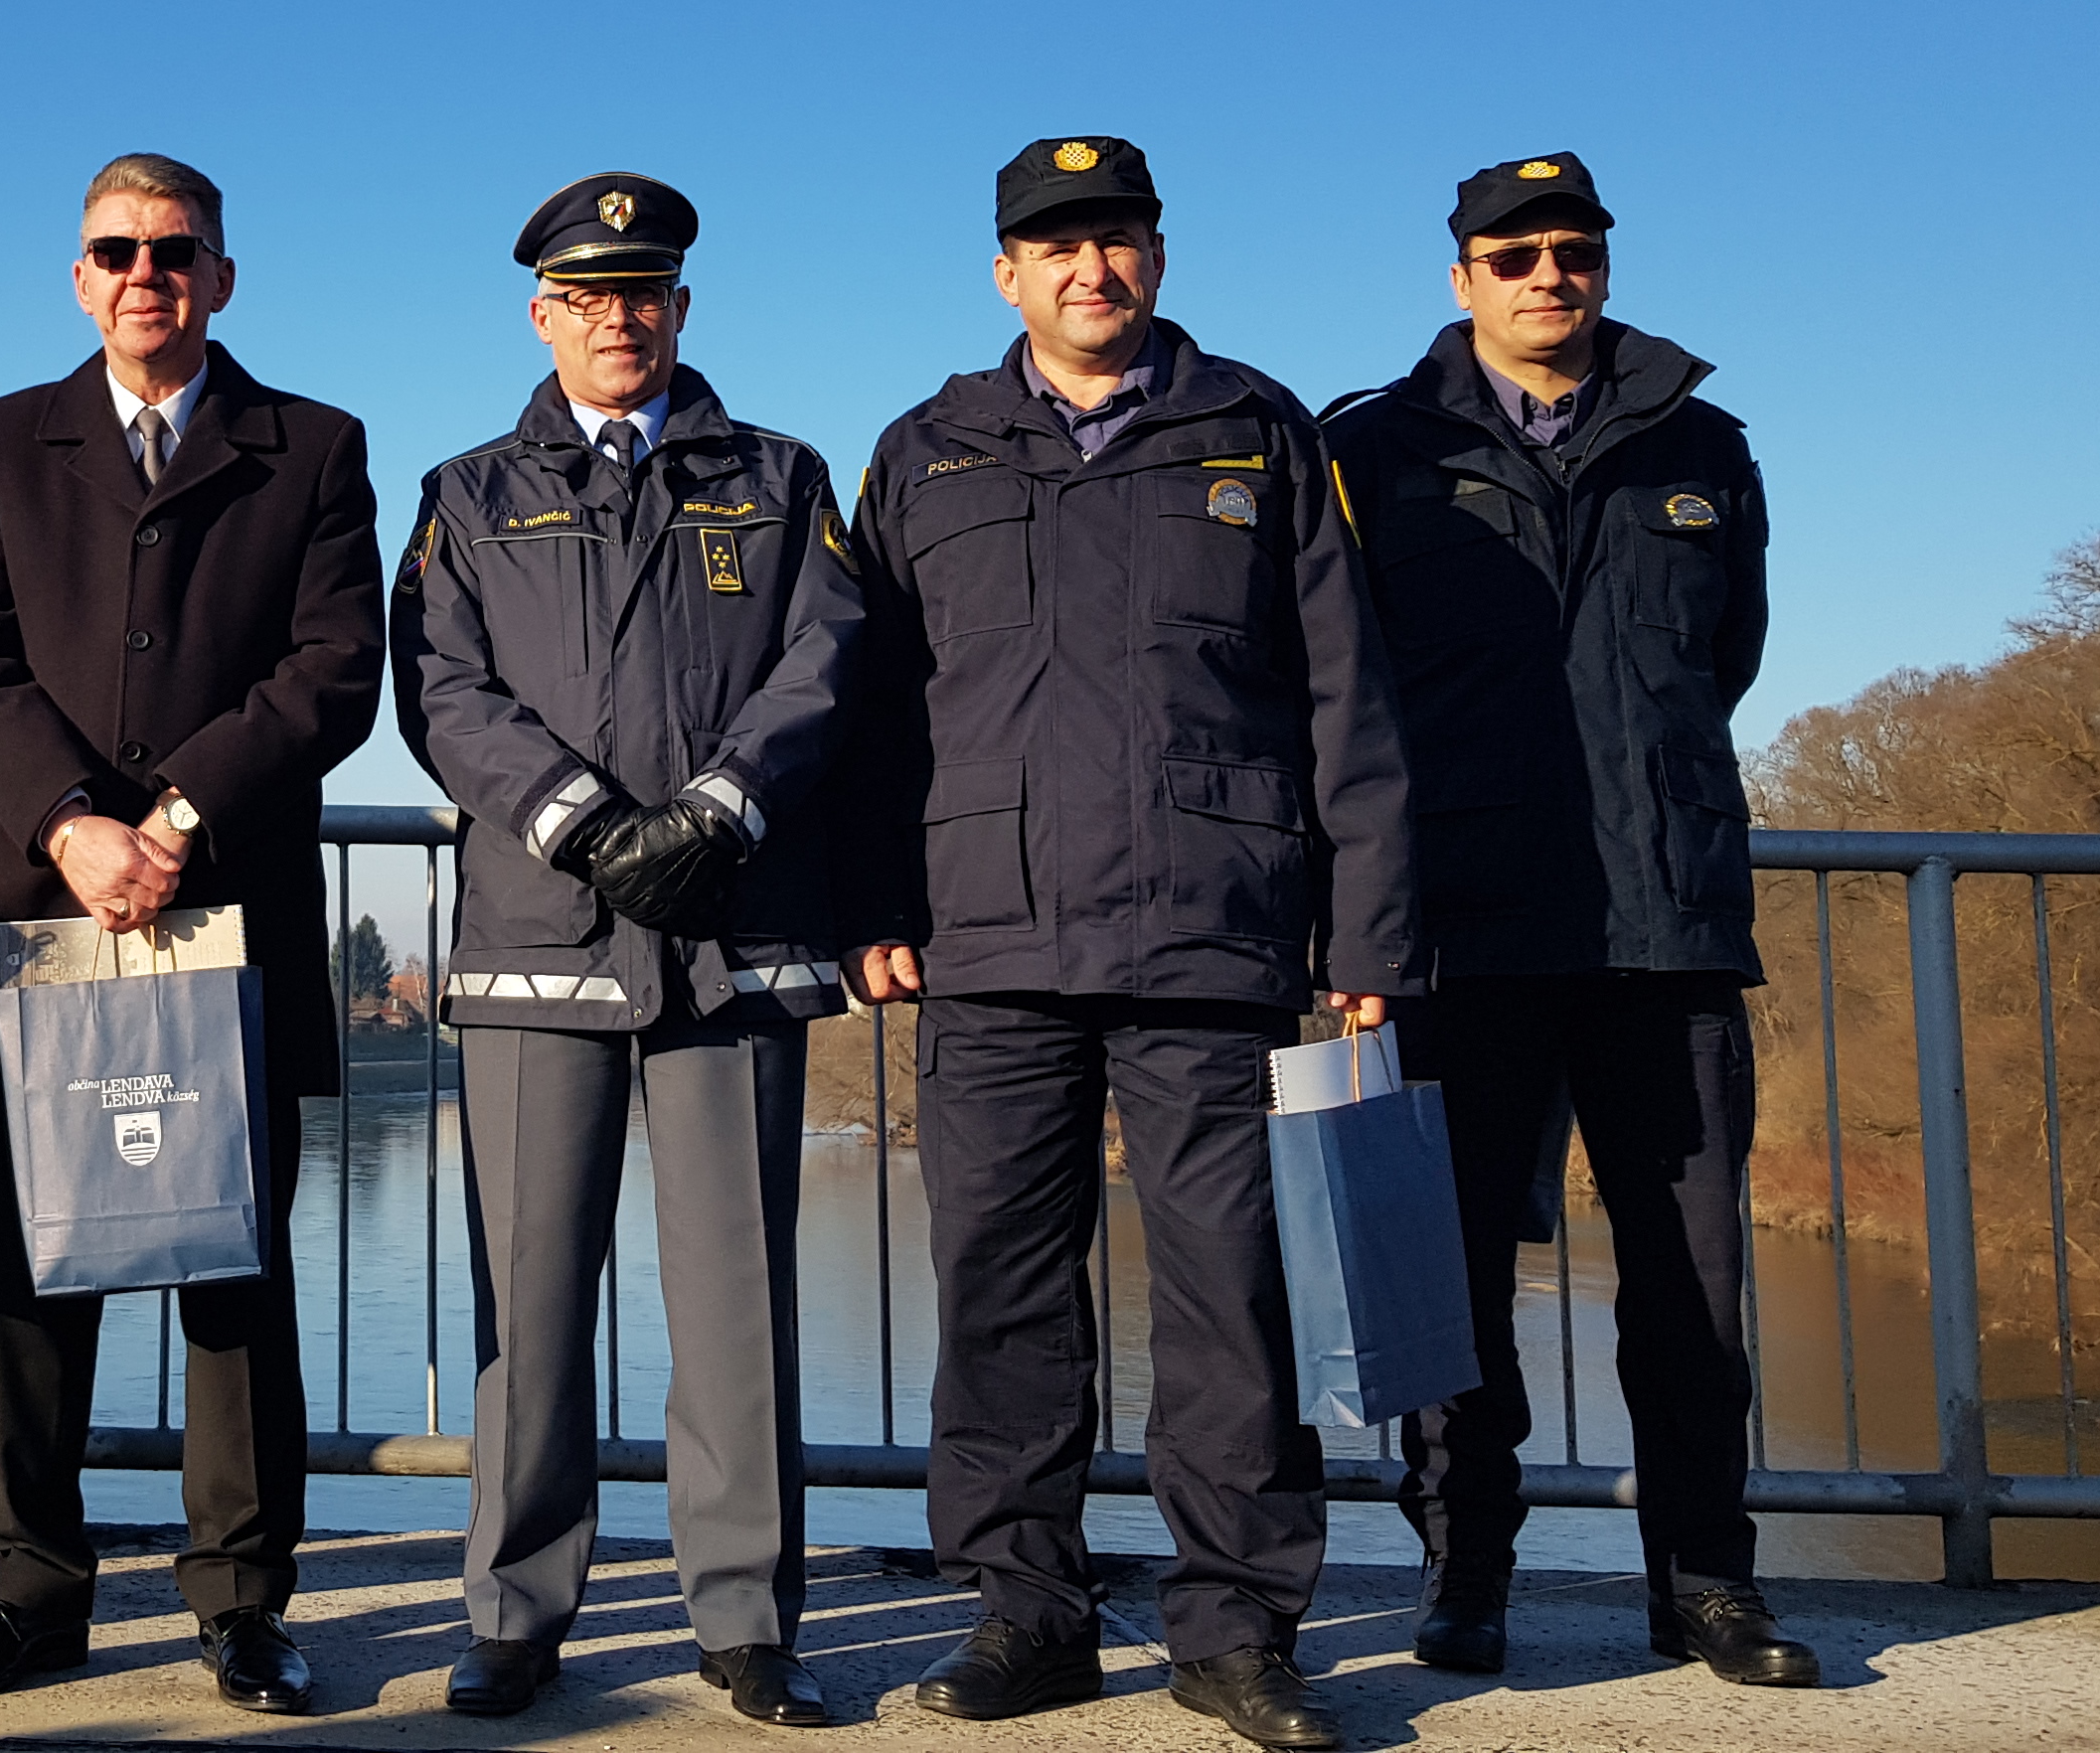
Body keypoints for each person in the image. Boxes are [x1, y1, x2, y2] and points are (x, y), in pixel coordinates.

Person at [841, 135, 1421, 1752]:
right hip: (990, 937)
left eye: (1119, 239)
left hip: (1212, 936)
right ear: (1007, 273)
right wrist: (871, 904)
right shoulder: (929, 451)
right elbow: (872, 714)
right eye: (1057, 246)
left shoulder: (1256, 430)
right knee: (1000, 1290)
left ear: (1158, 257)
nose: (1090, 268)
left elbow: (1345, 696)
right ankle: (1025, 1610)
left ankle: (1238, 1628)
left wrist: (1364, 922)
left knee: (1230, 1293)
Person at [0, 152, 382, 1715]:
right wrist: (67, 823)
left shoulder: (312, 447)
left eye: (176, 251)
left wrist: (173, 821)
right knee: (36, 1279)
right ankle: (31, 1592)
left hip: (222, 909)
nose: (145, 274)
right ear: (79, 274)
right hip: (41, 909)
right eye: (116, 250)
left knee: (233, 1271)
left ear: (222, 276)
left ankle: (243, 1602)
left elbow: (335, 670)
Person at [1323, 152, 1815, 1688]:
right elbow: (1345, 686)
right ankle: (1466, 1569)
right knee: (1453, 1284)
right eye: (1516, 253)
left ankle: (1708, 1582)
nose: (1551, 275)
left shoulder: (1704, 444)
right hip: (1459, 929)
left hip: (1658, 925)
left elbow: (1721, 656)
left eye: (1575, 249)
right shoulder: (1370, 452)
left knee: (1690, 1284)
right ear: (1460, 277)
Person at [392, 175, 863, 1726]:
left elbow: (828, 657)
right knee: (529, 1309)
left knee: (739, 1307)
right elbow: (443, 693)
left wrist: (723, 807)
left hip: (734, 941)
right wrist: (586, 823)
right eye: (586, 296)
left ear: (680, 305)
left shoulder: (782, 477)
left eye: (643, 291)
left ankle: (745, 1620)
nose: (618, 317)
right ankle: (516, 1614)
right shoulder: (467, 492)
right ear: (541, 315)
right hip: (543, 937)